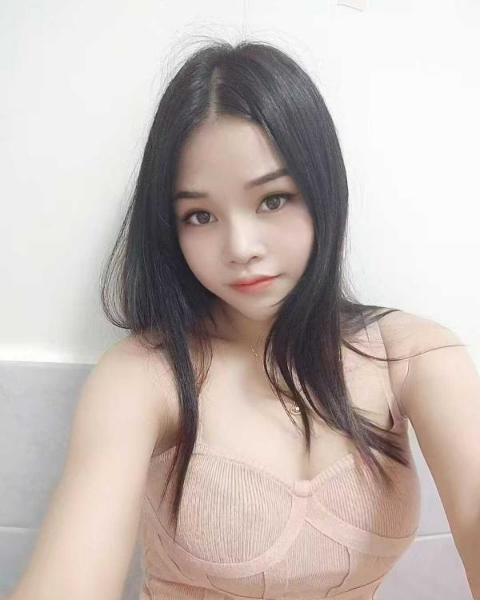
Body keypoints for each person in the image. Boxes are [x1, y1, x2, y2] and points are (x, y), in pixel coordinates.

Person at [7, 39, 480, 600]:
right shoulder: (143, 376)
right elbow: (68, 580)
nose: (240, 248)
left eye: (272, 200)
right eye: (199, 215)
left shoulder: (413, 357)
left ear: (323, 190)